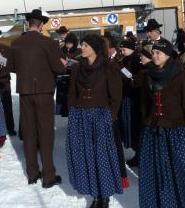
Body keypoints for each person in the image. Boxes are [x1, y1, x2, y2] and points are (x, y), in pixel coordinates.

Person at [139, 39, 185, 207]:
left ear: (167, 55)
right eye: (153, 53)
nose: (154, 56)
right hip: (153, 132)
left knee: (182, 174)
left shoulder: (184, 76)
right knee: (155, 174)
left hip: (177, 132)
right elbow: (145, 102)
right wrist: (147, 122)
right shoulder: (147, 75)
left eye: (158, 53)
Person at [8, 9, 65, 187]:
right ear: (40, 25)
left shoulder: (17, 42)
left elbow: (11, 66)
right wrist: (61, 64)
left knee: (30, 132)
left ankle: (32, 173)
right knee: (46, 132)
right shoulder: (48, 43)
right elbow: (59, 68)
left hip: (25, 91)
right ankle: (48, 176)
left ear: (28, 23)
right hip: (44, 91)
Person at [66, 34, 123, 208]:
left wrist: (110, 116)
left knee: (102, 157)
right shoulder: (77, 68)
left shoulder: (108, 67)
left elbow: (116, 95)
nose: (81, 48)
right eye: (81, 45)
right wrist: (73, 110)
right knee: (85, 156)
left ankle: (104, 196)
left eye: (85, 45)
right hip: (80, 117)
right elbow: (71, 93)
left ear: (95, 48)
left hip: (101, 117)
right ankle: (95, 195)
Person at [118, 39, 142, 167]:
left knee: (134, 126)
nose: (122, 51)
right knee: (129, 126)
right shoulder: (125, 60)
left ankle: (139, 153)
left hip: (133, 98)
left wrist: (122, 70)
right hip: (127, 96)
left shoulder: (135, 60)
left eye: (124, 49)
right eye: (121, 49)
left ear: (131, 49)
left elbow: (132, 77)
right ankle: (136, 152)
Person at [56, 32, 81, 117]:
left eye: (70, 44)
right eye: (66, 44)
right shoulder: (62, 50)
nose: (68, 46)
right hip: (63, 79)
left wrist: (70, 63)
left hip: (74, 79)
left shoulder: (79, 51)